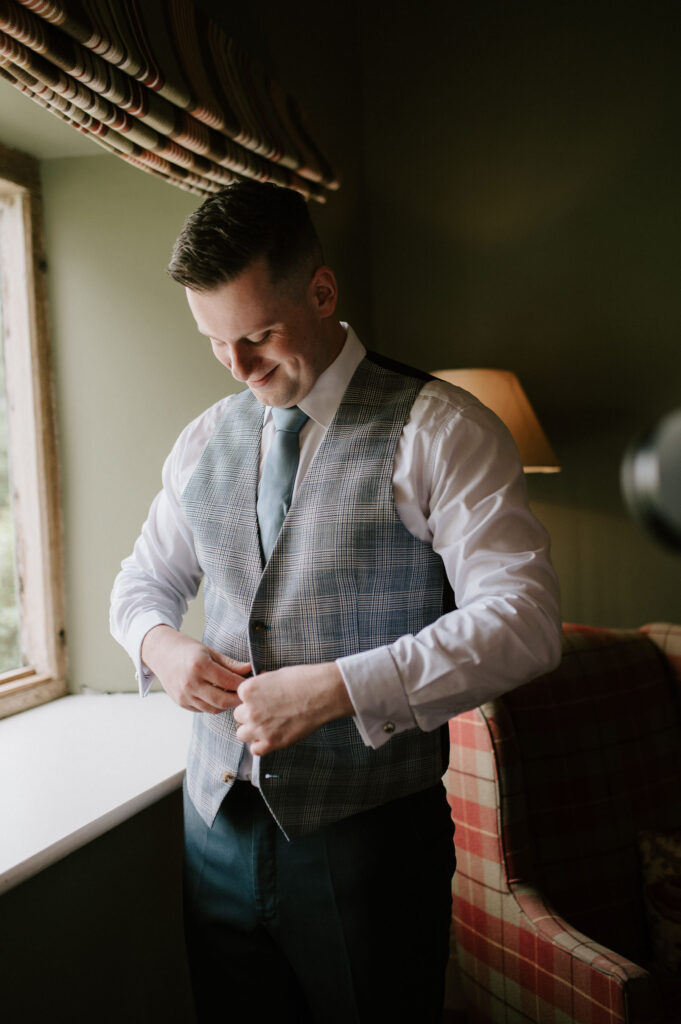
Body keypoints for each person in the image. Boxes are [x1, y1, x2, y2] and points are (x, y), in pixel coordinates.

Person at [110, 179, 561, 1023]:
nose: (240, 370)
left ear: (321, 292)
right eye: (215, 344)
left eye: (258, 337)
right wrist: (160, 649)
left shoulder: (442, 429)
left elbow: (525, 620)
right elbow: (140, 584)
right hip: (213, 828)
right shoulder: (203, 438)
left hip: (370, 844)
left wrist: (338, 688)